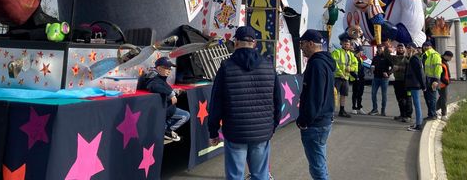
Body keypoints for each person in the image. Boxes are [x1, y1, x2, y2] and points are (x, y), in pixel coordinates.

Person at [208, 26, 282, 180]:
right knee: (260, 175)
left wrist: (213, 131)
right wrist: (272, 126)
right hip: (262, 131)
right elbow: (277, 99)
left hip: (235, 130)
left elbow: (216, 102)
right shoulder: (268, 65)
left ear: (236, 42)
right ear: (254, 43)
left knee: (235, 175)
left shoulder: (226, 67)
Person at [342, 0, 426, 47]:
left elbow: (407, 37)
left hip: (406, 51)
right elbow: (348, 38)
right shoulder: (352, 3)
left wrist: (381, 23)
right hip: (373, 53)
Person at [296, 29, 336, 180]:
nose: (301, 47)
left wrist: (304, 121)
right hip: (323, 120)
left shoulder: (317, 65)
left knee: (317, 165)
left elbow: (315, 97)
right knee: (319, 162)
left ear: (311, 43)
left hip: (316, 123)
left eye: (302, 44)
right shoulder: (323, 62)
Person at [137, 57, 190, 142]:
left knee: (186, 114)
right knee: (185, 116)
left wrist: (175, 92)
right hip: (161, 111)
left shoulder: (162, 78)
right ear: (158, 68)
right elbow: (153, 86)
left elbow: (164, 86)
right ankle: (165, 131)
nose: (169, 70)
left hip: (168, 109)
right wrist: (171, 93)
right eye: (166, 68)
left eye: (170, 68)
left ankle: (166, 130)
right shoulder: (154, 77)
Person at [404, 43, 426, 131]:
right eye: (407, 48)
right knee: (416, 104)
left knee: (417, 104)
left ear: (413, 49)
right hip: (413, 84)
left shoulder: (415, 59)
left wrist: (423, 85)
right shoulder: (412, 58)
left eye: (409, 48)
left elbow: (420, 73)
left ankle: (419, 125)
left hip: (415, 84)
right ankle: (417, 123)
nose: (407, 49)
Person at [331, 37, 354, 118]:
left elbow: (355, 65)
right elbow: (334, 64)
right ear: (342, 44)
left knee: (343, 95)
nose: (346, 45)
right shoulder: (337, 52)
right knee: (334, 95)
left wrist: (351, 69)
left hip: (346, 78)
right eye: (344, 44)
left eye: (347, 44)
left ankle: (342, 110)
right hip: (338, 77)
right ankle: (331, 111)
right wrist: (341, 74)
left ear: (350, 45)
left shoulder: (351, 54)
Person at [390, 43, 412, 122]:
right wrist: (387, 46)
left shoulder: (407, 58)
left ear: (404, 49)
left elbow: (409, 68)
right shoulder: (394, 58)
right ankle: (402, 114)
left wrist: (399, 68)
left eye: (402, 48)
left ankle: (408, 115)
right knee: (399, 98)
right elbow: (386, 55)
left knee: (407, 98)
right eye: (399, 48)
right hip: (397, 80)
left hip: (406, 81)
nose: (400, 50)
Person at [369, 43, 392, 116]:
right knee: (373, 94)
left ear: (383, 49)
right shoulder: (375, 57)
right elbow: (372, 66)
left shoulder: (387, 57)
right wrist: (372, 69)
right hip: (376, 78)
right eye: (378, 48)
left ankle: (383, 110)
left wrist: (388, 73)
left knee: (384, 95)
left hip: (384, 79)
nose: (379, 49)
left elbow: (393, 67)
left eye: (381, 48)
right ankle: (375, 109)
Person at [422, 41, 442, 120]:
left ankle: (433, 115)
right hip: (426, 79)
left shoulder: (435, 55)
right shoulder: (424, 55)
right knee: (427, 98)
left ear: (431, 46)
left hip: (432, 80)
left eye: (427, 46)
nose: (425, 47)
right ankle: (430, 114)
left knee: (431, 98)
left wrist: (436, 80)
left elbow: (438, 68)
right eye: (424, 46)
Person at [437, 51, 453, 120]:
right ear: (446, 56)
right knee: (444, 99)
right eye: (450, 57)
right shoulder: (442, 63)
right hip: (442, 84)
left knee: (441, 98)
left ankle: (435, 109)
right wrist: (446, 82)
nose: (450, 59)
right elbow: (442, 75)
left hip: (442, 83)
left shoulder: (442, 61)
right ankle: (444, 114)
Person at [351, 45, 366, 115]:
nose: (362, 52)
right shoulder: (353, 58)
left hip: (362, 78)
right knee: (355, 93)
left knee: (360, 93)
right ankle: (354, 108)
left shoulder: (361, 59)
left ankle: (359, 107)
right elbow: (351, 69)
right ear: (358, 51)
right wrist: (356, 76)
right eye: (362, 51)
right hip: (356, 78)